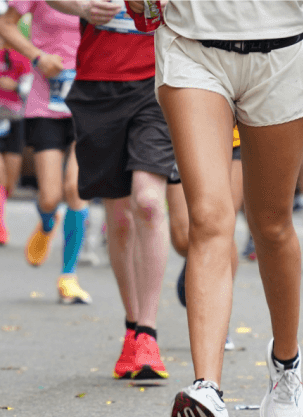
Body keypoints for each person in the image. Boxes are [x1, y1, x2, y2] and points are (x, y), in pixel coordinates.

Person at [126, 0, 303, 417]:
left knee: (271, 224)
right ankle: (208, 389)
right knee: (210, 218)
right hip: (193, 48)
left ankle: (286, 363)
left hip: (281, 51)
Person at [50, 0, 174, 379]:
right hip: (98, 85)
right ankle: (133, 327)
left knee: (149, 203)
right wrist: (82, 6)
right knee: (119, 219)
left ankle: (149, 335)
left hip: (159, 81)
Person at [0, 2, 91, 305]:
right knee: (50, 196)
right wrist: (38, 57)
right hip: (45, 103)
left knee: (76, 188)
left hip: (88, 100)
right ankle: (48, 222)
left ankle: (68, 277)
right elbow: (6, 24)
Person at [169, 125, 243, 352]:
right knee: (183, 239)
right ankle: (198, 257)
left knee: (222, 227)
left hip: (234, 136)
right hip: (182, 132)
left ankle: (218, 320)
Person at [0, 37, 31, 243]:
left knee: (10, 181)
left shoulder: (21, 57)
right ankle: (1, 226)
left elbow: (31, 90)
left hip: (14, 119)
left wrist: (15, 87)